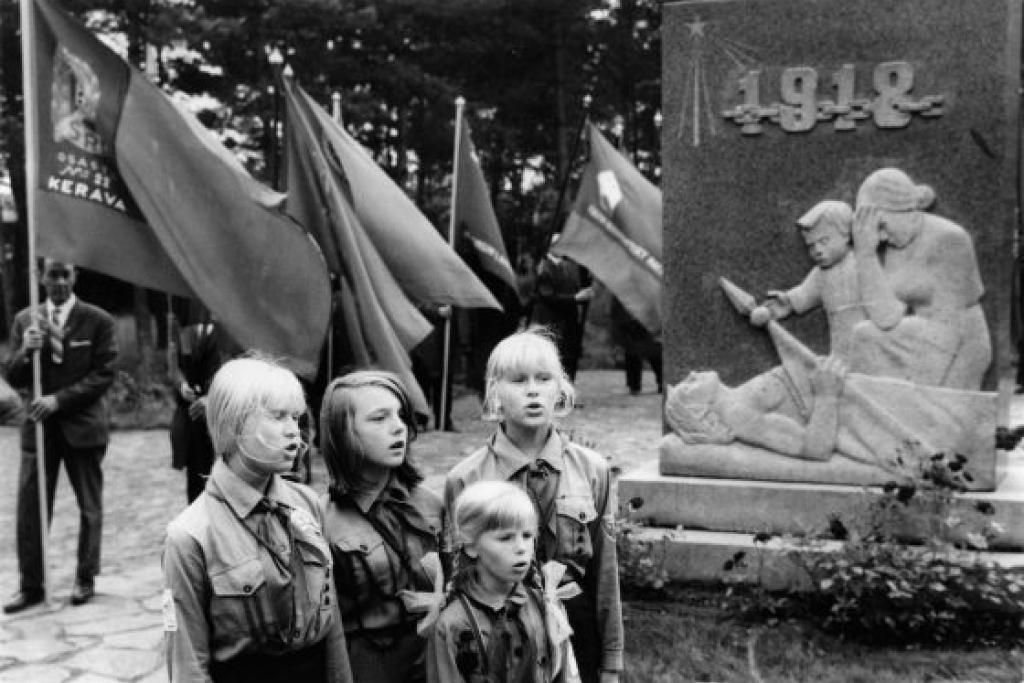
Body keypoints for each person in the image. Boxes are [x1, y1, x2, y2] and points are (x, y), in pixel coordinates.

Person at [444, 329, 623, 682]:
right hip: (499, 630)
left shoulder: (592, 470)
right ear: (494, 392)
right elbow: (457, 576)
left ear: (561, 389)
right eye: (518, 380)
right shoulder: (467, 478)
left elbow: (606, 571)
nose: (532, 390)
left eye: (544, 379)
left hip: (575, 625)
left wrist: (611, 663)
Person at [162, 356, 352, 683]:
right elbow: (188, 662)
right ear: (234, 424)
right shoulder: (191, 535)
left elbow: (328, 617)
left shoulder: (305, 503)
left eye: (296, 417)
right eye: (278, 417)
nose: (294, 431)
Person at [4, 259, 117, 612]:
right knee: (30, 510)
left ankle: (85, 577)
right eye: (51, 275)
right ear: (41, 277)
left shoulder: (98, 320)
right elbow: (13, 375)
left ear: (75, 276)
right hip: (38, 430)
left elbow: (104, 373)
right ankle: (31, 585)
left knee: (89, 507)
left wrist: (60, 400)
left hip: (83, 427)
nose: (58, 282)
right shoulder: (26, 320)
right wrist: (25, 351)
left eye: (65, 274)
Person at [319, 370, 444, 683]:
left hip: (436, 661)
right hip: (368, 668)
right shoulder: (323, 521)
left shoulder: (431, 504)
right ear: (343, 433)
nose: (398, 426)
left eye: (400, 415)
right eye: (379, 418)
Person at [849, 168, 991, 389]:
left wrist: (919, 391)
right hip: (921, 338)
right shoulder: (896, 243)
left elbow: (950, 327)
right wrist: (865, 254)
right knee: (862, 335)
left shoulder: (950, 239)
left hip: (960, 347)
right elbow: (885, 318)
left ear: (904, 211)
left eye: (882, 227)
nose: (881, 237)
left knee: (916, 409)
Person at [428, 480, 578, 683]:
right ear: (471, 546)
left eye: (527, 535)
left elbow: (565, 675)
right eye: (505, 538)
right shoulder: (452, 623)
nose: (521, 548)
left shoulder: (547, 607)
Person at [750, 200, 865, 360]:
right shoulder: (821, 275)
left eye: (824, 241)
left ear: (846, 234)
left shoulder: (865, 264)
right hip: (841, 353)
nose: (817, 251)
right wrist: (784, 303)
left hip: (872, 347)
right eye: (811, 246)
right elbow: (803, 295)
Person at [169, 318, 240, 502]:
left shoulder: (233, 328)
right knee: (197, 478)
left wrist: (213, 398)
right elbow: (175, 366)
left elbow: (239, 371)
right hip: (195, 419)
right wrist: (182, 384)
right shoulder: (185, 330)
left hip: (226, 418)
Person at [531, 237, 593, 381]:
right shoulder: (543, 267)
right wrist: (575, 298)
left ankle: (567, 394)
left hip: (569, 320)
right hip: (551, 320)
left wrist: (584, 293)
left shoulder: (569, 265)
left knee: (569, 357)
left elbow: (578, 287)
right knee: (553, 360)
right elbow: (548, 296)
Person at [609, 296, 663, 395]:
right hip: (631, 325)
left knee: (652, 354)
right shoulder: (620, 295)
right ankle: (634, 385)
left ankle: (658, 382)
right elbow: (615, 313)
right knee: (634, 354)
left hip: (642, 325)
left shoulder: (640, 290)